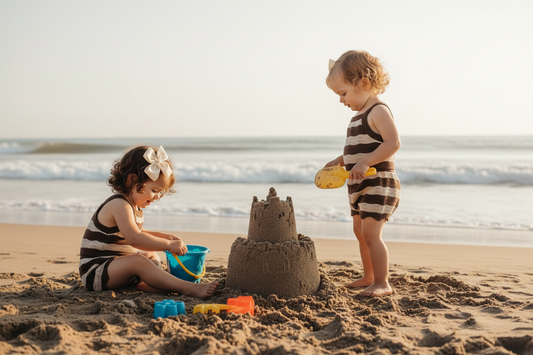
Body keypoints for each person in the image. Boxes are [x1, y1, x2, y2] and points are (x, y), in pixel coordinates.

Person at [78, 145, 219, 298]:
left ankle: (147, 284)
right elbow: (134, 238)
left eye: (160, 192)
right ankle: (188, 288)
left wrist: (164, 236)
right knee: (139, 261)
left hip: (114, 266)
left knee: (150, 256)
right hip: (96, 272)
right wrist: (168, 245)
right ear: (132, 180)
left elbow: (136, 231)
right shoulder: (119, 204)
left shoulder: (132, 205)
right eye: (154, 190)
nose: (157, 196)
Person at [324, 50, 401, 297]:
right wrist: (341, 161)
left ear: (364, 83)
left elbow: (392, 143)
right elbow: (359, 149)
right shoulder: (359, 116)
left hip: (379, 182)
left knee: (370, 233)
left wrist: (365, 162)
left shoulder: (378, 111)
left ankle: (382, 282)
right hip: (359, 184)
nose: (341, 101)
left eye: (343, 93)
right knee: (359, 232)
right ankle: (369, 275)